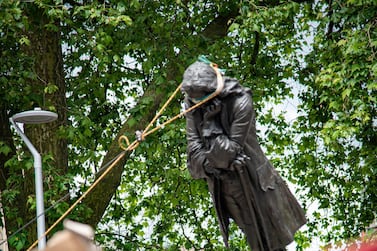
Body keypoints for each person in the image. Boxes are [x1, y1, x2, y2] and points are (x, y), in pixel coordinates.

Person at [181, 60, 306, 251]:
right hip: (226, 188)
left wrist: (210, 124)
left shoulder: (241, 102)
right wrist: (213, 164)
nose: (194, 105)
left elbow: (229, 152)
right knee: (256, 243)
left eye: (199, 101)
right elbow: (193, 159)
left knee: (271, 244)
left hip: (255, 183)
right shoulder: (192, 102)